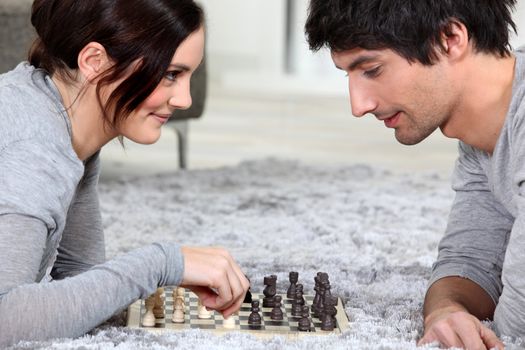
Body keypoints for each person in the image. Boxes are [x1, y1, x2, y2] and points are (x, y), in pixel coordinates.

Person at [0, 0, 250, 347]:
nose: (184, 99)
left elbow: (83, 275)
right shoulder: (32, 148)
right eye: (171, 75)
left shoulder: (58, 118)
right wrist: (162, 263)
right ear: (94, 62)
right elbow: (6, 323)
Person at [305, 0, 524, 349]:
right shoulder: (481, 141)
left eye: (372, 70)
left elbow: (515, 330)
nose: (358, 105)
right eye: (349, 75)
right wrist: (446, 310)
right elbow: (468, 264)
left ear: (449, 39)